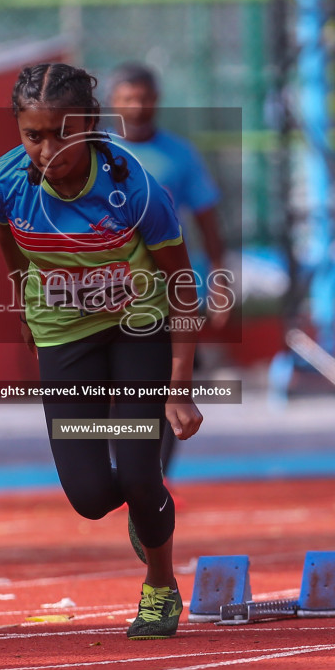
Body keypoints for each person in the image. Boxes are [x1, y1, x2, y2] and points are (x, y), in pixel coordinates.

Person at [0, 62, 203, 639]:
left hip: (138, 327)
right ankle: (140, 508)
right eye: (34, 135)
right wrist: (27, 307)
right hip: (64, 333)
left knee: (137, 469)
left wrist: (179, 387)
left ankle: (159, 584)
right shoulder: (1, 183)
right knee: (88, 496)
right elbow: (9, 243)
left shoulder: (135, 188)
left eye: (64, 133)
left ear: (91, 126)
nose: (48, 149)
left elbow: (182, 287)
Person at [106, 62, 228, 475]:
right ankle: (122, 469)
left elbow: (208, 220)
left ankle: (156, 477)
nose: (136, 106)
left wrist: (219, 279)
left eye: (143, 98)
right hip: (109, 290)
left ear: (156, 101)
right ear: (113, 102)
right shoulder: (95, 154)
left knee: (166, 385)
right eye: (127, 98)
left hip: (169, 290)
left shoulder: (180, 154)